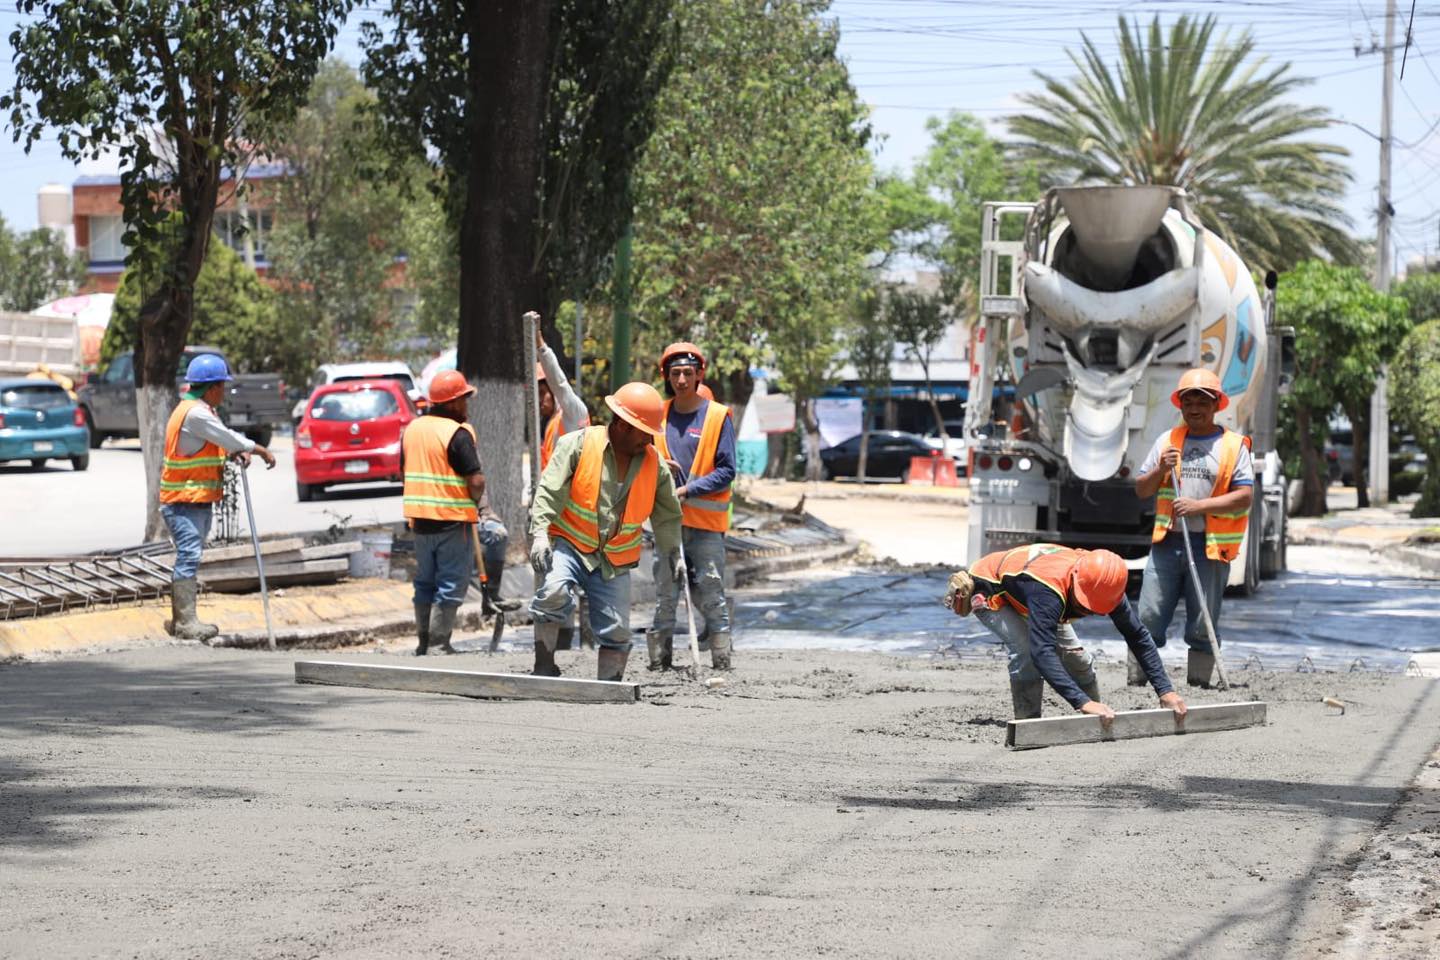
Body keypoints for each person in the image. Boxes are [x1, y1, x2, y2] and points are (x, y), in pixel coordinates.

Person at [527, 382, 683, 681]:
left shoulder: (655, 466)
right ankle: (544, 667)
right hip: (569, 544)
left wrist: (673, 552)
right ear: (622, 425)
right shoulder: (579, 444)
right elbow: (549, 489)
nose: (649, 438)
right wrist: (541, 533)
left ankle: (610, 684)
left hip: (613, 559)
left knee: (617, 628)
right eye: (643, 430)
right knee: (553, 592)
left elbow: (666, 517)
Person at [944, 543, 1187, 721]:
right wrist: (1081, 702)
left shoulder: (1106, 583)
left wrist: (1166, 690)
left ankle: (1098, 715)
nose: (1087, 611)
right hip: (992, 589)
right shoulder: (1048, 593)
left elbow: (1137, 635)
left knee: (1077, 658)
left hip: (1030, 589)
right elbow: (1042, 652)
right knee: (1026, 650)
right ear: (1077, 583)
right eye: (1084, 605)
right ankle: (1028, 721)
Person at [1132, 367, 1254, 688]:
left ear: (1216, 405)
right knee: (1148, 615)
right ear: (1181, 406)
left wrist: (1199, 507)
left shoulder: (1233, 445)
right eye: (1189, 402)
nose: (1195, 409)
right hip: (1167, 544)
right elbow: (1142, 489)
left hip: (1209, 548)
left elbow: (1244, 497)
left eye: (1203, 402)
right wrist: (1161, 468)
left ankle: (1199, 684)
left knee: (1203, 621)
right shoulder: (1167, 442)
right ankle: (1138, 681)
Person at [160, 354, 276, 641]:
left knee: (191, 554)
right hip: (183, 500)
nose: (224, 391)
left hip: (193, 498)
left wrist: (233, 451)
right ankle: (185, 622)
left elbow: (216, 440)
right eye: (222, 385)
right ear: (211, 387)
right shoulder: (195, 413)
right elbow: (224, 436)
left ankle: (181, 621)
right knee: (189, 555)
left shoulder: (199, 410)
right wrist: (258, 449)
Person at [647, 342, 738, 671]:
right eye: (675, 374)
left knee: (712, 589)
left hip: (706, 525)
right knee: (665, 591)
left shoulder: (717, 416)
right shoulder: (657, 417)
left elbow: (727, 470)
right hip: (668, 523)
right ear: (666, 377)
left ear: (700, 373)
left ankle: (722, 660)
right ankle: (660, 663)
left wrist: (689, 489)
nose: (682, 379)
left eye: (688, 372)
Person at [401, 370, 489, 656]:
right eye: (464, 399)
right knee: (451, 583)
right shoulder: (457, 433)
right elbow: (475, 481)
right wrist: (478, 503)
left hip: (420, 521)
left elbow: (405, 469)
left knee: (425, 581)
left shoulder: (413, 429)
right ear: (452, 403)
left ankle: (423, 643)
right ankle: (440, 644)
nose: (467, 405)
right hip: (452, 520)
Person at [528, 312, 592, 645]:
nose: (541, 399)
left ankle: (592, 643)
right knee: (554, 585)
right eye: (535, 393)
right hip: (557, 518)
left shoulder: (574, 414)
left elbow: (561, 383)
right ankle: (562, 646)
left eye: (544, 392)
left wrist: (540, 347)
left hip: (581, 518)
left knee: (589, 583)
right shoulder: (549, 428)